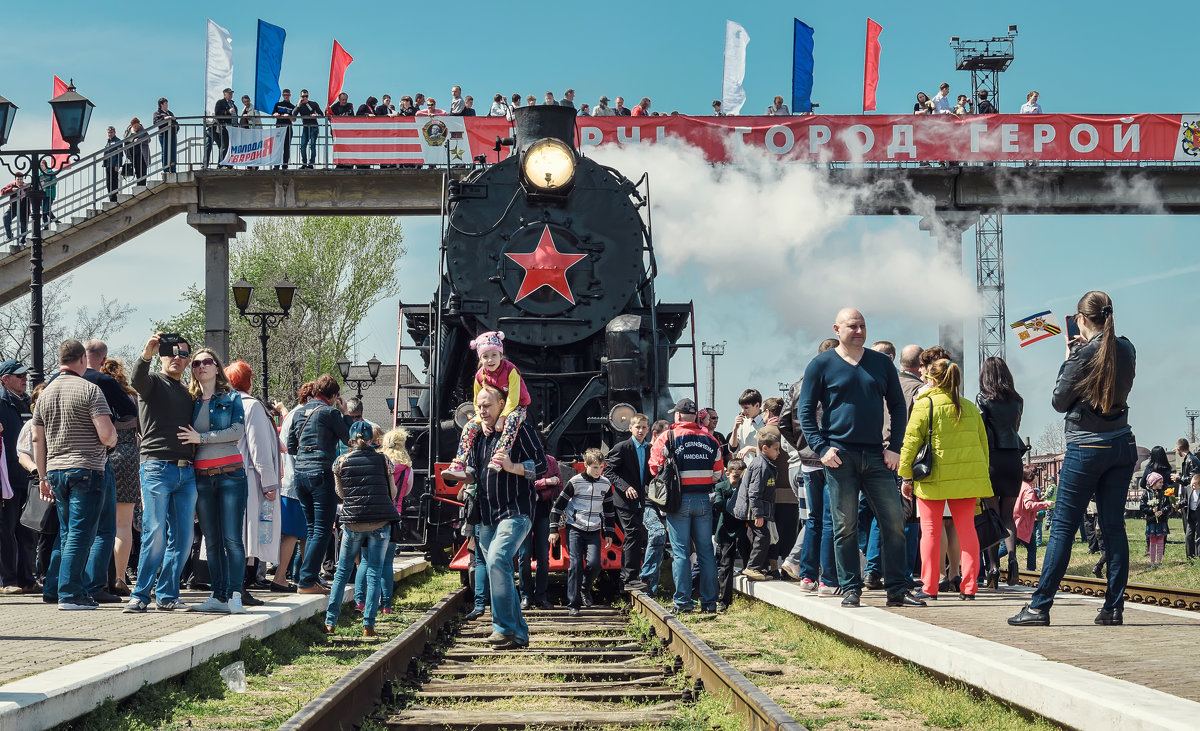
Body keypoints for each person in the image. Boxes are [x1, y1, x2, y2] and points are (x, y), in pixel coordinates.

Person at [1010, 291, 1136, 627]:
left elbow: (1059, 402)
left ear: (1080, 319)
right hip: (1122, 444)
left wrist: (1069, 357)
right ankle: (1113, 608)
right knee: (1113, 526)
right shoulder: (1127, 348)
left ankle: (1039, 608)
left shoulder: (1081, 355)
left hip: (1086, 448)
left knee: (1064, 527)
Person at [798, 308, 925, 608]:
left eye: (863, 326)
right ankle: (851, 588)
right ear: (837, 329)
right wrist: (821, 448)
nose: (859, 331)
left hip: (877, 455)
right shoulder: (821, 365)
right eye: (852, 326)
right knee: (845, 526)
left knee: (894, 521)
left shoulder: (880, 363)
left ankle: (896, 589)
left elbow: (897, 406)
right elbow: (805, 411)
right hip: (839, 456)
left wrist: (895, 446)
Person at [899, 358, 992, 600]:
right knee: (967, 531)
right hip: (967, 480)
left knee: (930, 532)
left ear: (931, 380)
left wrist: (906, 476)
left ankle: (929, 587)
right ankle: (969, 587)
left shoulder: (925, 405)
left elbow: (910, 443)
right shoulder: (970, 407)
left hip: (933, 479)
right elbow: (983, 447)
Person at [34, 340, 116, 610]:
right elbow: (105, 434)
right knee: (82, 534)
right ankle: (71, 594)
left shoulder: (44, 394)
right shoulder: (91, 390)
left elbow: (37, 440)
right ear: (82, 359)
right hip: (86, 469)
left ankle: (65, 589)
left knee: (68, 533)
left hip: (56, 471)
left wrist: (43, 476)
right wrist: (113, 439)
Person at [470, 384, 547, 650]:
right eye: (479, 405)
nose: (482, 410)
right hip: (486, 514)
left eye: (487, 405)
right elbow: (474, 470)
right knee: (499, 569)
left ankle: (502, 629)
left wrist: (513, 467)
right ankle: (519, 634)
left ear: (502, 404)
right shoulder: (478, 435)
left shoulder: (520, 430)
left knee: (497, 559)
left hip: (516, 510)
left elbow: (541, 464)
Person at [124, 333, 197, 613]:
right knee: (154, 533)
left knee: (182, 538)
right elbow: (136, 380)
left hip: (186, 472)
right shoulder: (152, 383)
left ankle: (167, 596)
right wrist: (147, 353)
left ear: (188, 360)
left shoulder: (189, 393)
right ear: (161, 356)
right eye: (170, 352)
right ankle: (140, 595)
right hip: (156, 467)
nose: (176, 357)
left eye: (182, 353)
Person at [182, 348, 248, 614]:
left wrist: (203, 439)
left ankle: (235, 595)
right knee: (211, 540)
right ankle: (218, 595)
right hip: (201, 477)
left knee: (232, 538)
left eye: (207, 361)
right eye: (196, 363)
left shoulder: (231, 398)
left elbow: (237, 431)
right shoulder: (190, 401)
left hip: (231, 474)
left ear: (217, 367)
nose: (201, 366)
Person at [323, 421, 400, 637]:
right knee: (374, 572)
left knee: (342, 572)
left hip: (353, 523)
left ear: (350, 439)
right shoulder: (384, 460)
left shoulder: (340, 462)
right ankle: (368, 624)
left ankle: (330, 622)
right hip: (379, 523)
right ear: (371, 439)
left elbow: (341, 494)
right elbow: (392, 494)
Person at [649, 397, 723, 614]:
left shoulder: (667, 437)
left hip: (677, 502)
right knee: (706, 552)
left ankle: (683, 603)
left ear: (678, 415)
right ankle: (709, 603)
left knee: (681, 553)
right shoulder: (710, 440)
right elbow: (718, 474)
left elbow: (654, 469)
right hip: (703, 500)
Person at [286, 374, 351, 595]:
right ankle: (306, 581)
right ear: (333, 396)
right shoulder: (330, 412)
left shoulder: (298, 413)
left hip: (300, 474)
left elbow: (291, 446)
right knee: (323, 530)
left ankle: (310, 578)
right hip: (322, 473)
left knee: (312, 529)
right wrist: (346, 414)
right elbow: (349, 439)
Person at [225, 361, 281, 607]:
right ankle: (241, 589)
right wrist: (269, 483)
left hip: (226, 475)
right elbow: (259, 448)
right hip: (250, 479)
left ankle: (231, 588)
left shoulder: (222, 403)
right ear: (248, 380)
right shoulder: (252, 406)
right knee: (250, 537)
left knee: (235, 535)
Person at [442, 332, 530, 482]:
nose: (490, 359)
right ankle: (459, 463)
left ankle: (500, 456)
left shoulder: (511, 370)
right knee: (469, 426)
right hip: (494, 407)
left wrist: (502, 417)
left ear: (501, 355)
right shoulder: (480, 376)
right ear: (480, 358)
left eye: (494, 355)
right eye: (485, 356)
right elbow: (477, 401)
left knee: (513, 420)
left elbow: (513, 398)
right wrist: (481, 421)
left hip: (516, 406)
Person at [976, 356, 1024, 587]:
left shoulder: (982, 399)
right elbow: (1015, 428)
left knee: (992, 516)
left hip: (992, 459)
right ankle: (1013, 561)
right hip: (1014, 458)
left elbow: (981, 430)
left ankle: (993, 567)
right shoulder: (1017, 400)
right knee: (1008, 516)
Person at [550, 448, 615, 616]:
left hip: (594, 529)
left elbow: (608, 510)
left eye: (601, 467)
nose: (598, 471)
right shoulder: (575, 482)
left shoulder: (605, 484)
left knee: (594, 564)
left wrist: (609, 532)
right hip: (575, 529)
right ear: (585, 465)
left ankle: (585, 589)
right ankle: (573, 604)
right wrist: (553, 529)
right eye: (594, 467)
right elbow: (558, 507)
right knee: (576, 565)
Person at [360, 426, 412, 613]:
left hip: (374, 516)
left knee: (367, 560)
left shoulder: (378, 463)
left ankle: (361, 602)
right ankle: (387, 605)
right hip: (394, 517)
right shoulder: (407, 469)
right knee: (388, 563)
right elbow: (406, 491)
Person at [98, 357, 139, 596]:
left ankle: (101, 577)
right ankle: (121, 577)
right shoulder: (132, 397)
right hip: (129, 457)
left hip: (103, 456)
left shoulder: (96, 396)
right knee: (123, 524)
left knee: (101, 524)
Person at [603, 413, 651, 591]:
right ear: (630, 428)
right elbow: (608, 471)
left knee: (636, 535)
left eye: (644, 427)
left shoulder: (649, 449)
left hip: (640, 500)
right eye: (637, 427)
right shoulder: (622, 447)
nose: (640, 430)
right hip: (624, 501)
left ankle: (628, 578)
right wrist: (625, 487)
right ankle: (628, 578)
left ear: (648, 429)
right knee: (632, 534)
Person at [271, 382, 311, 591]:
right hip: (295, 483)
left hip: (289, 480)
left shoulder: (294, 414)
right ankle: (280, 577)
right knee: (293, 534)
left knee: (303, 533)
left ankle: (307, 576)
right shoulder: (303, 416)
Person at [0, 359, 33, 595]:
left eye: (25, 375)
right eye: (19, 375)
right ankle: (7, 580)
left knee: (27, 529)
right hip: (6, 477)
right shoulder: (1, 402)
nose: (25, 379)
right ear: (5, 379)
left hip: (27, 476)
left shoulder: (29, 402)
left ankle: (27, 578)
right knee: (6, 529)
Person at [732, 428, 781, 580]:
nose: (778, 452)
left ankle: (754, 568)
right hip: (752, 510)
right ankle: (752, 568)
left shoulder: (765, 464)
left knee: (763, 537)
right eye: (776, 449)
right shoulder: (761, 466)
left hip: (756, 509)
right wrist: (758, 514)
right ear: (765, 448)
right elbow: (754, 492)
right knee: (763, 536)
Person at [518, 453, 559, 610]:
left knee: (543, 556)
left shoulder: (550, 460)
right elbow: (522, 486)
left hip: (543, 513)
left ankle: (540, 596)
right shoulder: (519, 460)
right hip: (523, 513)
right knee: (524, 556)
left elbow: (558, 486)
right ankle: (525, 596)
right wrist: (545, 482)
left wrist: (540, 495)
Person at [713, 458, 747, 610]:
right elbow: (719, 505)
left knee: (747, 555)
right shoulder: (721, 487)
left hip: (742, 526)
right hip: (726, 529)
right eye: (735, 477)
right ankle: (724, 599)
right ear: (727, 474)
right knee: (726, 565)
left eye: (740, 477)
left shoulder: (745, 486)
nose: (737, 480)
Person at [1013, 467, 1052, 571]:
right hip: (1023, 523)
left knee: (1007, 547)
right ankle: (1031, 571)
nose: (1037, 477)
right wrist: (1045, 504)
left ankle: (990, 565)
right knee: (1032, 548)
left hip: (1015, 521)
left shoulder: (1020, 485)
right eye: (1036, 475)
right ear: (1031, 476)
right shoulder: (1028, 489)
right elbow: (1029, 505)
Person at [1177, 438, 1200, 558]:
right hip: (1190, 500)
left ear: (1178, 449)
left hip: (1193, 500)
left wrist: (1178, 478)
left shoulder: (1191, 460)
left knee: (1194, 532)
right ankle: (1191, 555)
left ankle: (1194, 555)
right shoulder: (1189, 459)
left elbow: (1193, 479)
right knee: (1190, 531)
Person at [1141, 472, 1170, 568]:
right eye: (1160, 482)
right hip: (1151, 521)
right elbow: (1142, 507)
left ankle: (1159, 562)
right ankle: (1152, 563)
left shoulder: (1164, 493)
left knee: (1161, 541)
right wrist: (1151, 510)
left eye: (1162, 482)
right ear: (1153, 483)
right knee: (1152, 542)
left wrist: (1162, 511)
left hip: (1162, 521)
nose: (1162, 484)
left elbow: (1168, 506)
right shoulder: (1146, 494)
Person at [728, 389, 764, 456]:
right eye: (742, 408)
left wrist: (750, 449)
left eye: (746, 408)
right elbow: (733, 448)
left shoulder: (766, 423)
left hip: (762, 465)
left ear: (757, 405)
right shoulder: (742, 422)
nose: (743, 411)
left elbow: (770, 451)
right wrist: (735, 428)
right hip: (745, 465)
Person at [270, 89, 296, 170]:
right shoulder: (278, 104)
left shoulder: (292, 106)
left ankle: (285, 165)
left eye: (287, 95)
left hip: (288, 128)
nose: (286, 96)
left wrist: (288, 116)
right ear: (282, 95)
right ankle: (276, 165)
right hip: (279, 128)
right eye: (285, 95)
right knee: (278, 147)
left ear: (290, 95)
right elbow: (273, 114)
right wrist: (275, 114)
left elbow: (294, 119)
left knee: (286, 147)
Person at [152, 97, 178, 173]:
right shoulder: (157, 113)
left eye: (167, 103)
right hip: (164, 135)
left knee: (173, 152)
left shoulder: (170, 113)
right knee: (165, 152)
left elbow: (175, 121)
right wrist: (165, 118)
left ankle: (173, 169)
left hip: (172, 135)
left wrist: (177, 128)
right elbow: (156, 122)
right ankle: (166, 169)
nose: (167, 105)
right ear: (161, 104)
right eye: (166, 103)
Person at [214, 88, 238, 167]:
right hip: (225, 127)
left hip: (233, 128)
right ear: (224, 94)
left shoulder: (233, 105)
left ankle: (229, 165)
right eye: (229, 93)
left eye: (231, 93)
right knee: (224, 146)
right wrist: (227, 112)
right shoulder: (220, 103)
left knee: (231, 147)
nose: (231, 95)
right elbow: (217, 114)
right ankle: (221, 165)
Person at [124, 118, 151, 184]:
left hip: (141, 153)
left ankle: (143, 184)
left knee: (143, 170)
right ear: (132, 125)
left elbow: (148, 139)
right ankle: (139, 184)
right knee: (137, 170)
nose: (137, 127)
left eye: (138, 125)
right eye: (135, 126)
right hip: (132, 154)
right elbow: (125, 140)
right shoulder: (128, 131)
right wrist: (133, 140)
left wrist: (140, 140)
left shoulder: (142, 130)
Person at [103, 127, 122, 201]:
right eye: (108, 133)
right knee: (108, 183)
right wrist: (104, 165)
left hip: (114, 165)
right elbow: (105, 154)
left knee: (114, 182)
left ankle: (114, 198)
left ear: (114, 132)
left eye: (111, 132)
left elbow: (120, 154)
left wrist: (118, 165)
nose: (110, 134)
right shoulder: (108, 142)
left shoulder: (118, 141)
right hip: (108, 165)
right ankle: (111, 198)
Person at [38, 158, 57, 226]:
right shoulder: (39, 174)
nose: (41, 167)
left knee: (46, 210)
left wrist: (46, 183)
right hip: (41, 195)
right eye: (40, 166)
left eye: (42, 165)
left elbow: (54, 182)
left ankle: (55, 220)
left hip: (50, 194)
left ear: (46, 165)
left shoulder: (50, 172)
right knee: (44, 212)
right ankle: (46, 226)